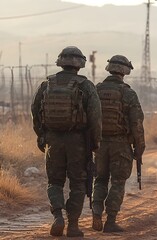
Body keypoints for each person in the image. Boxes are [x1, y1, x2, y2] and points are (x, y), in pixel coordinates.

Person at [31, 46, 102, 237]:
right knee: (78, 184)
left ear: (60, 62)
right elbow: (95, 118)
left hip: (53, 140)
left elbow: (35, 110)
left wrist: (41, 135)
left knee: (54, 181)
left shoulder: (47, 84)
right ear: (80, 64)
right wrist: (95, 143)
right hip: (78, 142)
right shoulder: (85, 86)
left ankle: (58, 216)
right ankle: (72, 226)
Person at [92, 55, 146, 232]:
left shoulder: (96, 90)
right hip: (121, 144)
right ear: (125, 71)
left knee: (100, 180)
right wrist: (139, 148)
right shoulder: (128, 93)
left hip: (99, 144)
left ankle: (96, 213)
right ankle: (110, 221)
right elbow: (137, 124)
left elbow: (88, 118)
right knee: (118, 181)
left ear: (109, 68)